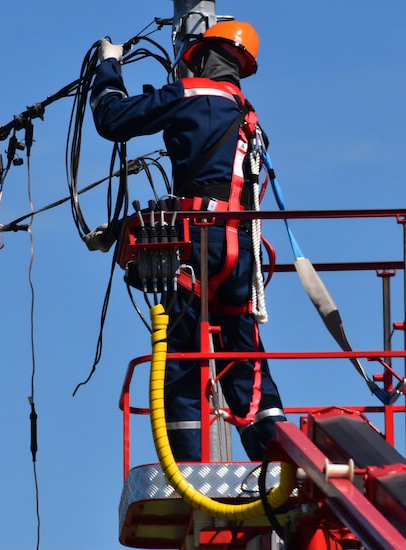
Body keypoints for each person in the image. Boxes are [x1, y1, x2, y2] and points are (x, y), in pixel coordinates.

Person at [89, 21, 286, 462]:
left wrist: (108, 66)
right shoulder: (249, 117)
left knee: (183, 359)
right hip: (240, 254)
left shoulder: (190, 95)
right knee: (246, 358)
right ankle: (276, 453)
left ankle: (190, 466)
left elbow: (112, 119)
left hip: (197, 245)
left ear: (197, 57)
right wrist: (123, 228)